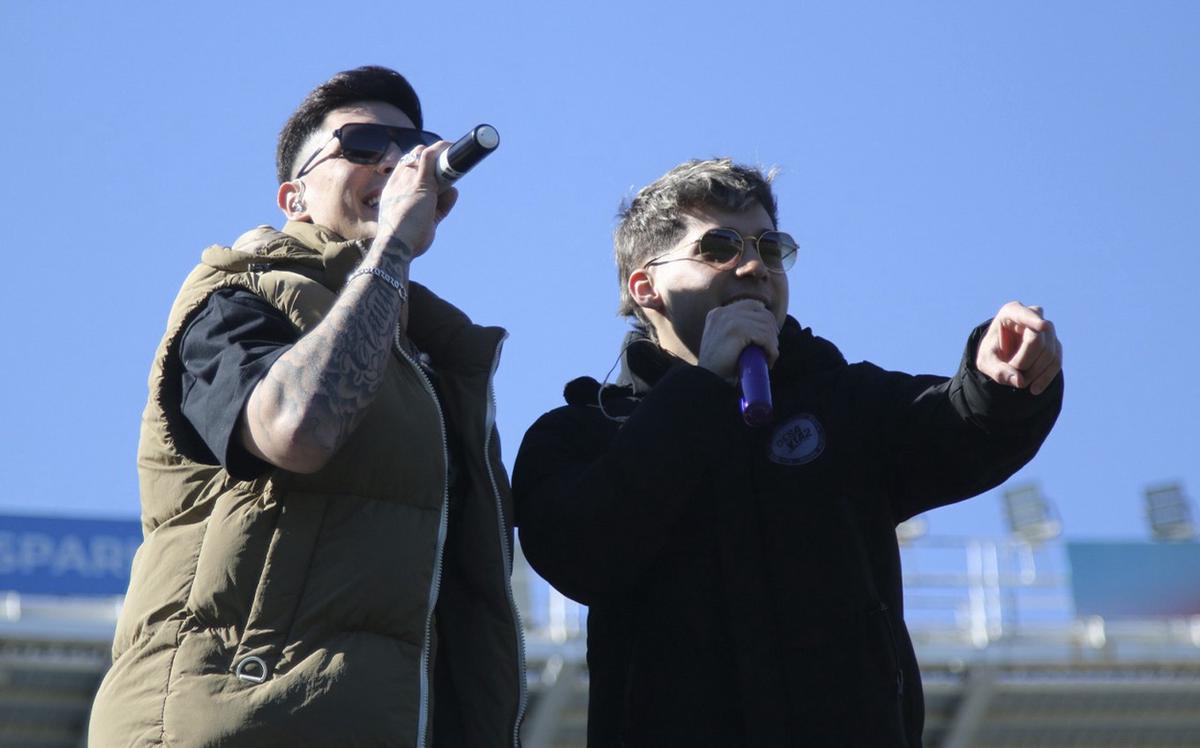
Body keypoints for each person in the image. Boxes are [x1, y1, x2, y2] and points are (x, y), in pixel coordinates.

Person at [513, 158, 1063, 747]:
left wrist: (999, 376)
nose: (753, 265)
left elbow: (957, 424)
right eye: (719, 246)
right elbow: (583, 548)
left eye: (771, 248)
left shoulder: (840, 401)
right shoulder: (579, 436)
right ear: (644, 286)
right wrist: (703, 391)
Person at [89, 66, 525, 747]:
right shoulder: (237, 297)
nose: (396, 160)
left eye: (412, 146)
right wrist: (392, 248)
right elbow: (297, 429)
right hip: (235, 721)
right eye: (362, 144)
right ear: (293, 197)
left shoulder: (442, 370)